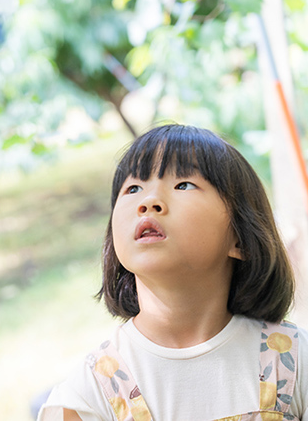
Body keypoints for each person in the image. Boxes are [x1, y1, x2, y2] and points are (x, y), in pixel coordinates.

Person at [37, 124, 308, 421]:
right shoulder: (90, 393)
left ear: (240, 238)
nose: (147, 202)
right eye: (133, 188)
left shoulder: (291, 360)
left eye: (183, 185)